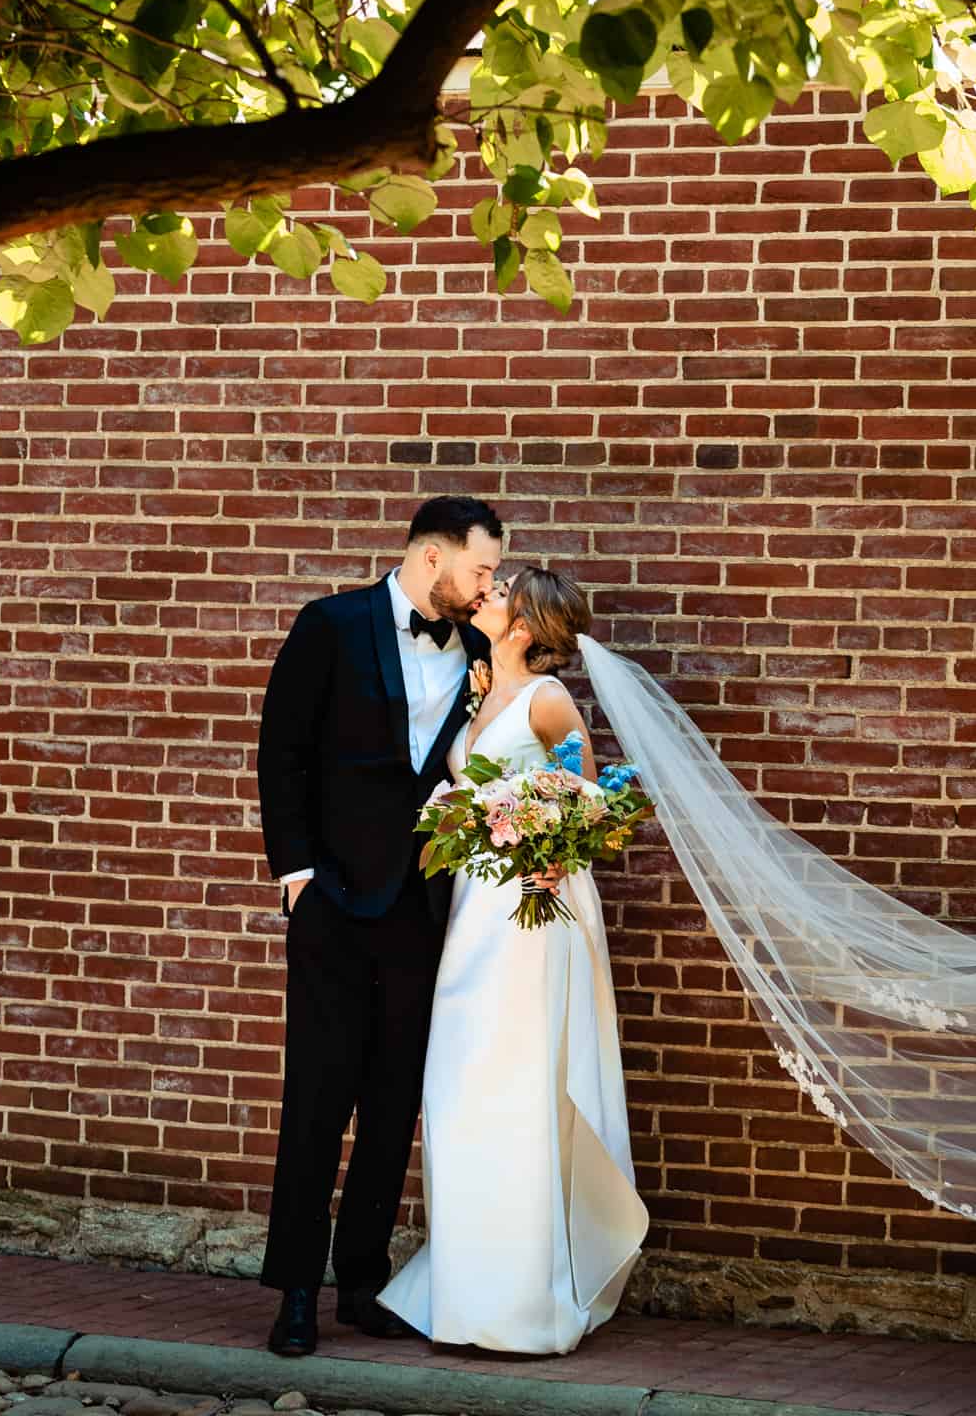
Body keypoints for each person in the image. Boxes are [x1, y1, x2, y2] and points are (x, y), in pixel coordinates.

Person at [256, 495, 503, 1359]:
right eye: (480, 570)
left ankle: (360, 1281)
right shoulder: (330, 624)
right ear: (430, 557)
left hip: (422, 909)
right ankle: (293, 1289)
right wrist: (296, 877)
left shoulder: (479, 650)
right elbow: (280, 749)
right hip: (330, 906)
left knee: (394, 1104)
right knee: (316, 1101)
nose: (486, 589)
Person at [379, 566, 648, 1356]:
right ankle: (468, 1288)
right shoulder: (477, 690)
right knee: (462, 1084)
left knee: (520, 1085)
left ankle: (524, 1303)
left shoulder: (546, 701)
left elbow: (591, 807)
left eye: (499, 595)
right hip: (474, 909)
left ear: (524, 625)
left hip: (534, 914)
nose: (484, 596)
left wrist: (554, 860)